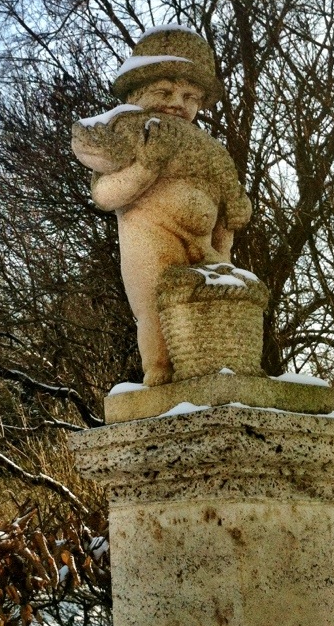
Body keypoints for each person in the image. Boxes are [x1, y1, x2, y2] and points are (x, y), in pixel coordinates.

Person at [72, 25, 251, 386]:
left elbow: (226, 199)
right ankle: (159, 371)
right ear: (138, 93)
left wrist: (231, 220)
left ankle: (212, 368)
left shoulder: (208, 147)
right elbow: (106, 195)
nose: (177, 103)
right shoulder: (132, 130)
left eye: (189, 96)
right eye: (165, 91)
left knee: (212, 306)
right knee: (156, 309)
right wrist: (148, 165)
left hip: (206, 245)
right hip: (150, 235)